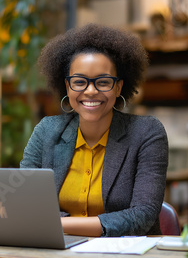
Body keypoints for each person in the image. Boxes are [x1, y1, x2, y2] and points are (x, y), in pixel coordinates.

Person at [20, 23, 169, 237]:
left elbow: (143, 216)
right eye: (79, 82)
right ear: (67, 86)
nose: (91, 91)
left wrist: (56, 224)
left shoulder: (146, 133)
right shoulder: (46, 132)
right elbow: (25, 203)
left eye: (103, 82)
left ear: (118, 87)